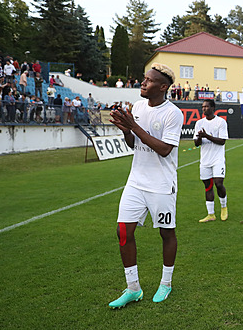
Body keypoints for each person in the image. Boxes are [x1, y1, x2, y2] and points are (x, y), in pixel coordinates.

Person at [108, 63, 184, 308]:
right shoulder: (138, 106)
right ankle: (133, 288)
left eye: (149, 81)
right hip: (136, 181)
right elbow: (133, 144)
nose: (143, 83)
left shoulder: (173, 113)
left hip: (162, 184)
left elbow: (164, 150)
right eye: (144, 79)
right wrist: (125, 130)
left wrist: (135, 127)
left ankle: (166, 283)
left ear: (163, 87)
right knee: (123, 232)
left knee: (166, 233)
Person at [193, 100, 229, 222]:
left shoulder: (220, 122)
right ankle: (211, 214)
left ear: (213, 108)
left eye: (207, 106)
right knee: (208, 186)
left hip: (217, 159)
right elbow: (197, 144)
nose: (204, 109)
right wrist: (199, 137)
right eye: (202, 107)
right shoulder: (199, 123)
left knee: (218, 183)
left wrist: (206, 136)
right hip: (205, 160)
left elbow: (222, 141)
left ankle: (223, 207)